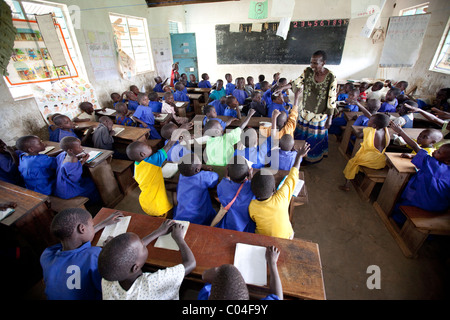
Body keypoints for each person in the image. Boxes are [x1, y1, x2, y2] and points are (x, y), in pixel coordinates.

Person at [98, 221, 196, 300]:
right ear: (135, 267)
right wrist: (178, 237)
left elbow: (130, 252)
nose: (143, 243)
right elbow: (191, 263)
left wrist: (158, 232)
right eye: (142, 246)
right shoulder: (153, 282)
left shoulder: (107, 280)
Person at [40, 208, 123, 300]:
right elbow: (113, 287)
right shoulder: (94, 255)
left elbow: (77, 239)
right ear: (82, 229)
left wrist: (103, 223)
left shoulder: (47, 254)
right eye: (92, 225)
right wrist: (111, 249)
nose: (93, 227)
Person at [276, 50, 338, 163]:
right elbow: (296, 83)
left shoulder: (331, 77)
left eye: (315, 63)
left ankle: (312, 158)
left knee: (314, 137)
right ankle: (298, 158)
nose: (312, 66)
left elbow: (332, 98)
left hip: (320, 114)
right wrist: (282, 88)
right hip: (305, 111)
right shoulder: (307, 72)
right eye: (311, 62)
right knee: (301, 134)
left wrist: (330, 118)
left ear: (323, 63)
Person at [389, 122, 450, 226]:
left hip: (420, 203)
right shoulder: (441, 166)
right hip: (440, 207)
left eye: (439, 152)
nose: (435, 152)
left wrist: (400, 131)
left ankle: (397, 222)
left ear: (447, 161)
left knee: (401, 201)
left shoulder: (431, 163)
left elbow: (416, 147)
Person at [249, 142, 310, 239]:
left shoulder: (252, 206)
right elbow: (293, 175)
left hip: (262, 238)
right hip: (286, 236)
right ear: (274, 189)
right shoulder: (281, 197)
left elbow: (253, 218)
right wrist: (298, 156)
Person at [125, 134, 181, 217]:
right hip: (158, 205)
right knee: (167, 218)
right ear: (142, 154)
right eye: (148, 147)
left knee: (155, 218)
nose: (150, 147)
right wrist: (180, 130)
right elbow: (168, 145)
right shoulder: (153, 161)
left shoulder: (137, 164)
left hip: (146, 202)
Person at [198, 246, 283, 300]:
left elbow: (206, 277)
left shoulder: (204, 296)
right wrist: (272, 263)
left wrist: (206, 275)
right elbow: (278, 297)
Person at [339, 113, 391, 191]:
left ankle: (347, 184)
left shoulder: (369, 130)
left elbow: (358, 135)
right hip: (380, 161)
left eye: (369, 121)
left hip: (369, 159)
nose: (368, 122)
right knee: (358, 159)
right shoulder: (385, 130)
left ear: (374, 126)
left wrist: (361, 130)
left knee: (352, 163)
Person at [173, 153, 219, 225]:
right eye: (200, 161)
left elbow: (191, 168)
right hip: (200, 218)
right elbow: (215, 177)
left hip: (181, 216)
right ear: (197, 170)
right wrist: (204, 169)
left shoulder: (182, 175)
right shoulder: (202, 177)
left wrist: (200, 166)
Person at [214, 155, 255, 233]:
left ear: (228, 172)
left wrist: (226, 176)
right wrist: (251, 177)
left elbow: (221, 190)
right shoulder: (252, 188)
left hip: (228, 226)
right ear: (249, 172)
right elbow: (255, 190)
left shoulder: (223, 185)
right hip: (246, 228)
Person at [54, 136, 100, 202]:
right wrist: (83, 161)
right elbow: (75, 179)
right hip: (67, 190)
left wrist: (79, 158)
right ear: (70, 150)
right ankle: (94, 202)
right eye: (79, 146)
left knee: (87, 180)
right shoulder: (73, 161)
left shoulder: (63, 154)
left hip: (60, 185)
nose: (82, 147)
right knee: (92, 184)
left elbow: (62, 163)